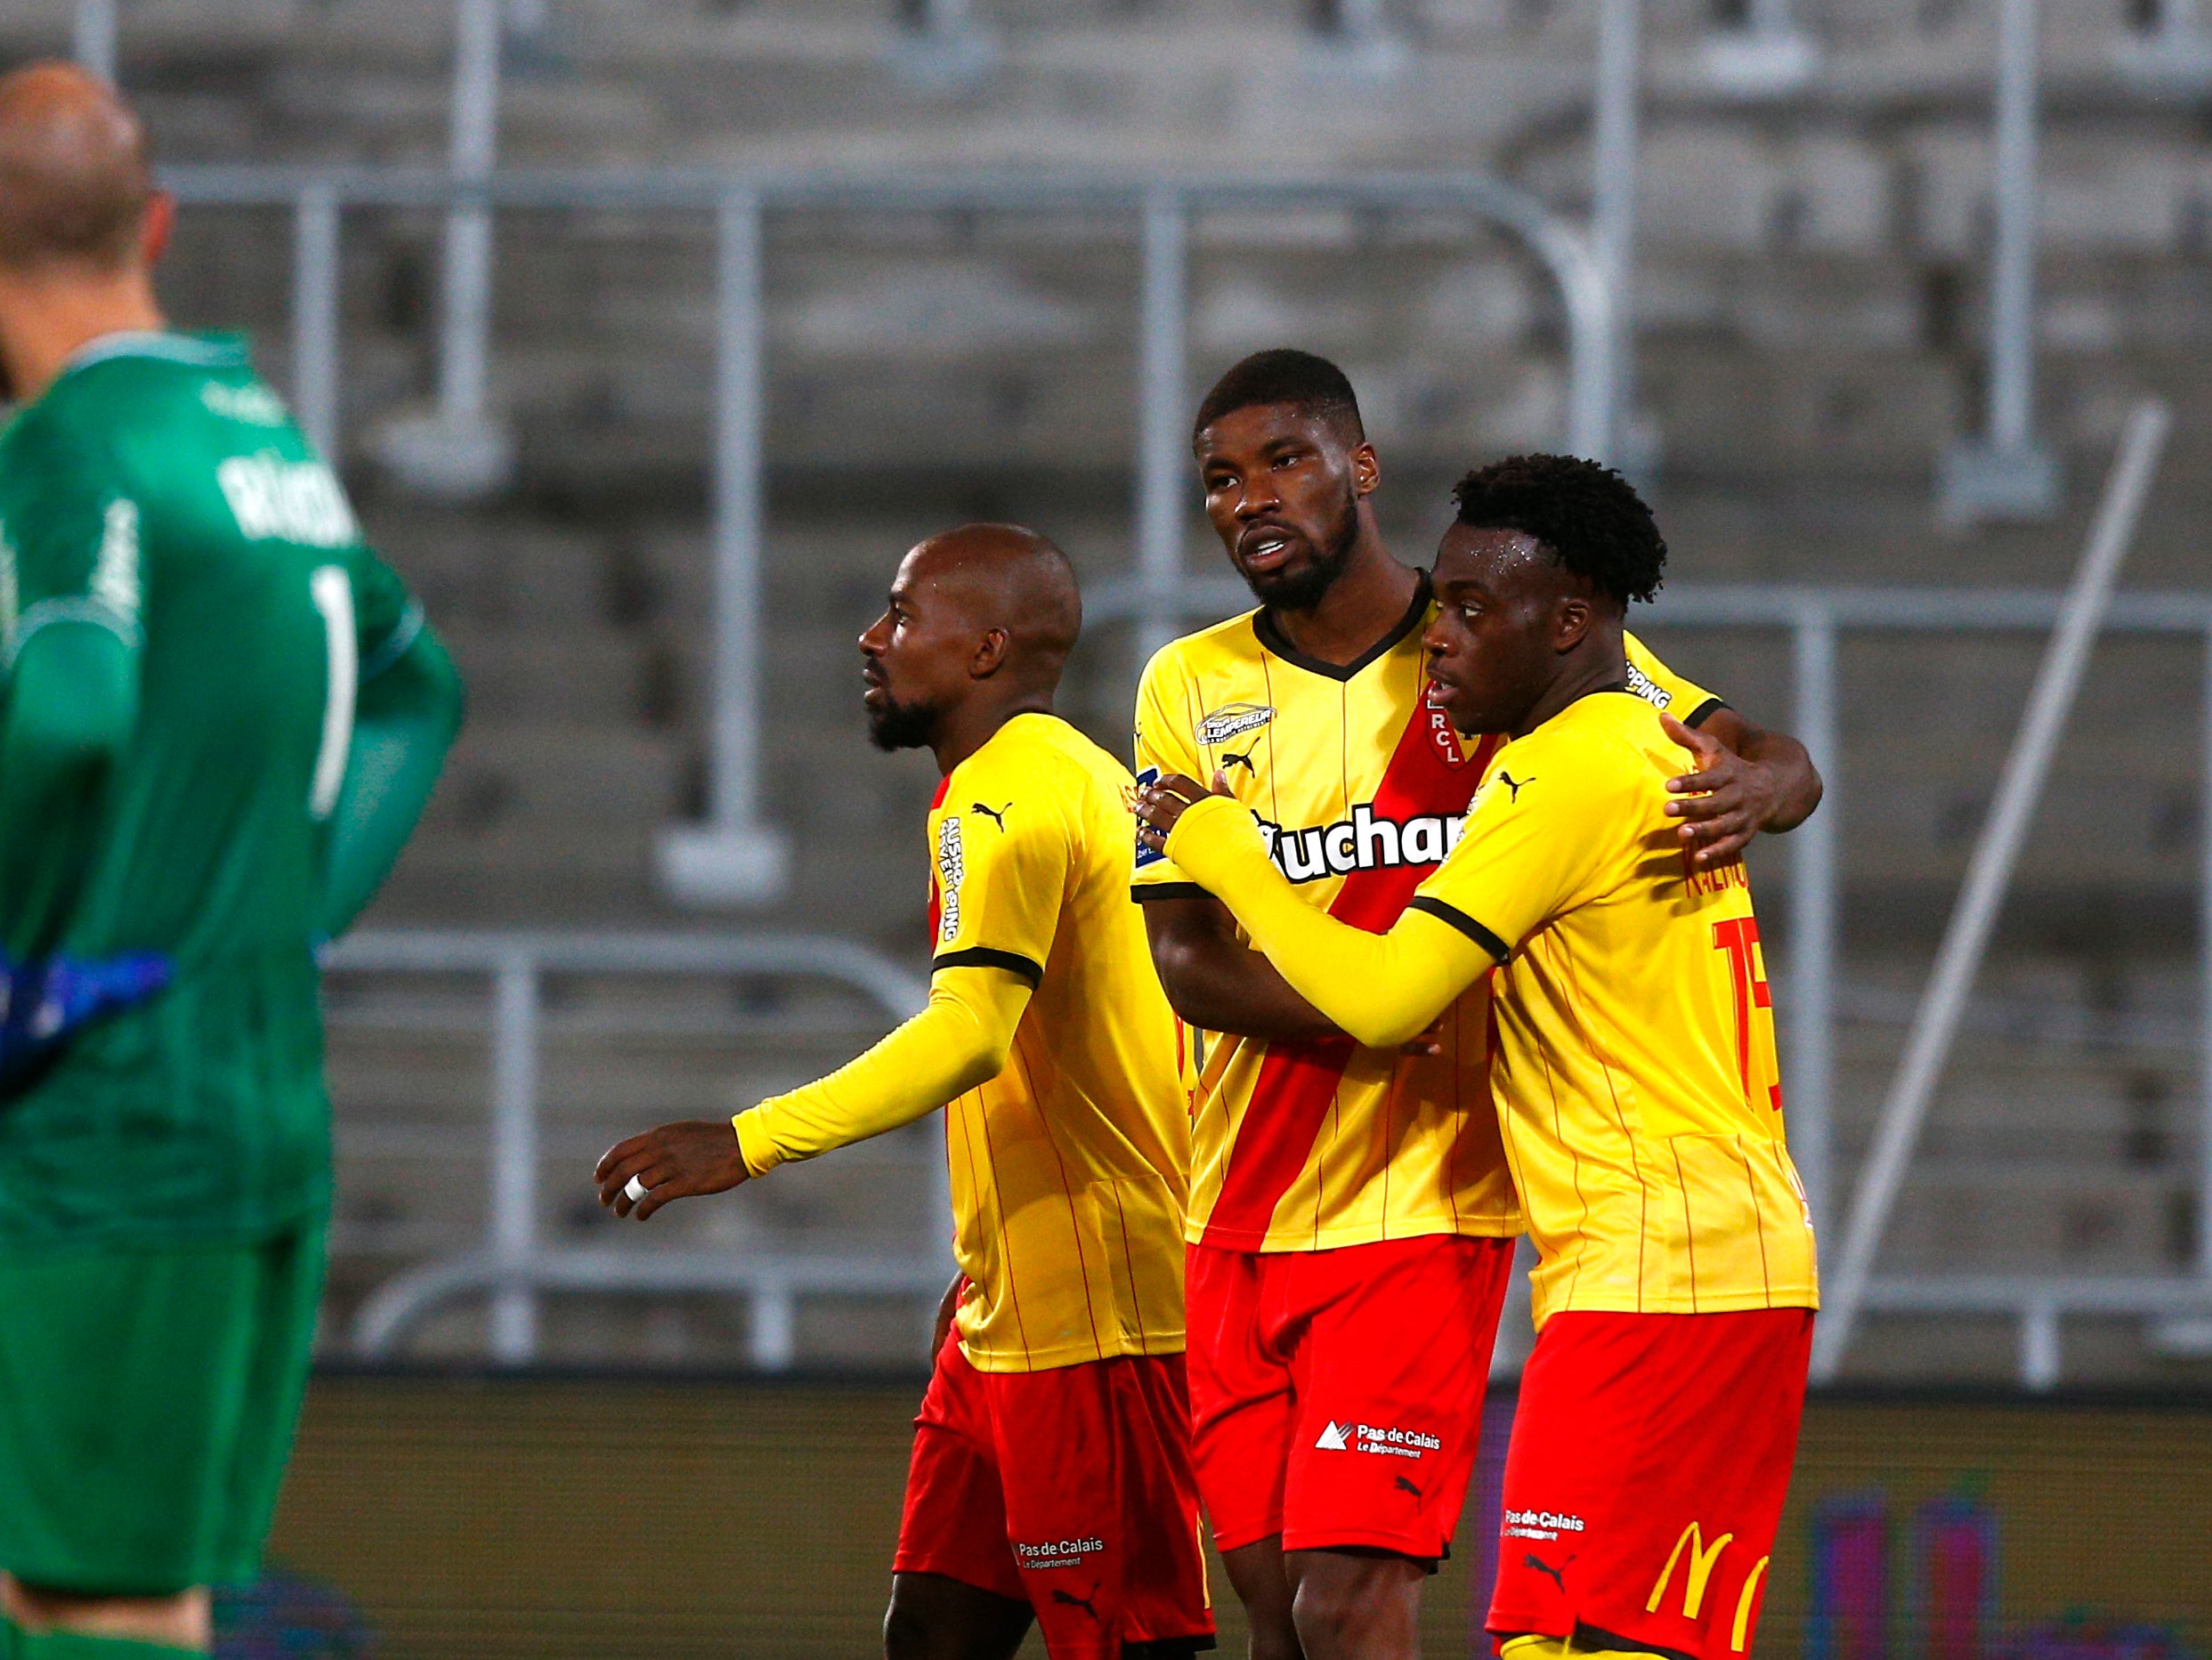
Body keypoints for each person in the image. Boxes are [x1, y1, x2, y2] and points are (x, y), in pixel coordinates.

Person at [1131, 352, 1818, 1660]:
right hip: (1246, 1192)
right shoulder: (1197, 683)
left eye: (1285, 459)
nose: (1252, 498)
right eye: (1221, 477)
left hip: (1459, 1210)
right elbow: (1186, 964)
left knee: (1370, 1606)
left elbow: (1747, 748)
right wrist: (1393, 980)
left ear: (1360, 466)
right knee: (1295, 1608)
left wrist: (1777, 778)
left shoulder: (1524, 674)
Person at [0, 62, 463, 1660]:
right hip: (249, 1087)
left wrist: (16, 978)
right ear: (152, 223)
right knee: (111, 1582)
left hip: (107, 1105)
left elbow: (73, 714)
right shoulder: (257, 437)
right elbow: (419, 685)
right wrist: (291, 913)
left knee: (90, 1591)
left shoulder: (66, 445)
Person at [595, 524, 1213, 1660]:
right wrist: (989, 1256)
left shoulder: (1010, 801)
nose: (871, 638)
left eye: (901, 615)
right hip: (1010, 1299)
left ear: (983, 648)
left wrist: (749, 1138)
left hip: (1097, 1314)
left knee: (1127, 1642)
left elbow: (971, 1035)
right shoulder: (1052, 775)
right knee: (932, 1628)